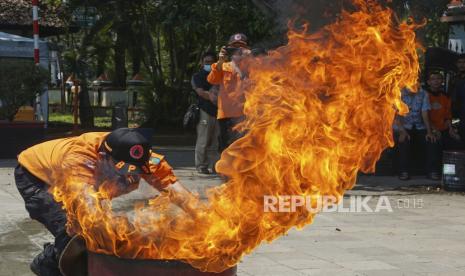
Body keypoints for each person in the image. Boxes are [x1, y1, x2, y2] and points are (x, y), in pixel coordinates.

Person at [14, 128, 196, 275]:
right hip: (36, 177)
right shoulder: (79, 159)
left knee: (96, 232)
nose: (129, 175)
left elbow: (179, 193)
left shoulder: (145, 158)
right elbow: (88, 210)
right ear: (103, 157)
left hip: (85, 181)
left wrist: (204, 217)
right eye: (122, 169)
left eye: (135, 171)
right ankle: (47, 265)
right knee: (76, 232)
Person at [207, 33, 251, 152]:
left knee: (243, 147)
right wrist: (221, 60)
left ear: (247, 49)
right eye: (234, 47)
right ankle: (224, 169)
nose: (238, 50)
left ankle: (241, 170)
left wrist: (251, 57)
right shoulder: (223, 66)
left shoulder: (252, 66)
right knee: (225, 147)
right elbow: (212, 80)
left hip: (244, 114)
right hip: (225, 114)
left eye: (241, 47)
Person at [394, 87, 437, 180]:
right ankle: (403, 171)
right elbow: (396, 115)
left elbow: (424, 113)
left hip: (419, 125)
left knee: (431, 140)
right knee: (404, 140)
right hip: (402, 126)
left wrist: (429, 132)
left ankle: (432, 171)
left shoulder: (423, 93)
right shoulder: (399, 93)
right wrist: (402, 131)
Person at [191, 52, 220, 174]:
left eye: (211, 62)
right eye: (206, 62)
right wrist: (216, 97)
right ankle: (201, 166)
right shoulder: (198, 76)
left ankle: (215, 166)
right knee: (203, 140)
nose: (208, 64)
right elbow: (201, 92)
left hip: (219, 112)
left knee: (216, 141)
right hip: (205, 111)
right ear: (202, 63)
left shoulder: (220, 75)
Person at [449, 54, 465, 148]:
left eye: (464, 62)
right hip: (455, 113)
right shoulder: (454, 78)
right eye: (459, 62)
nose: (462, 64)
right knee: (457, 137)